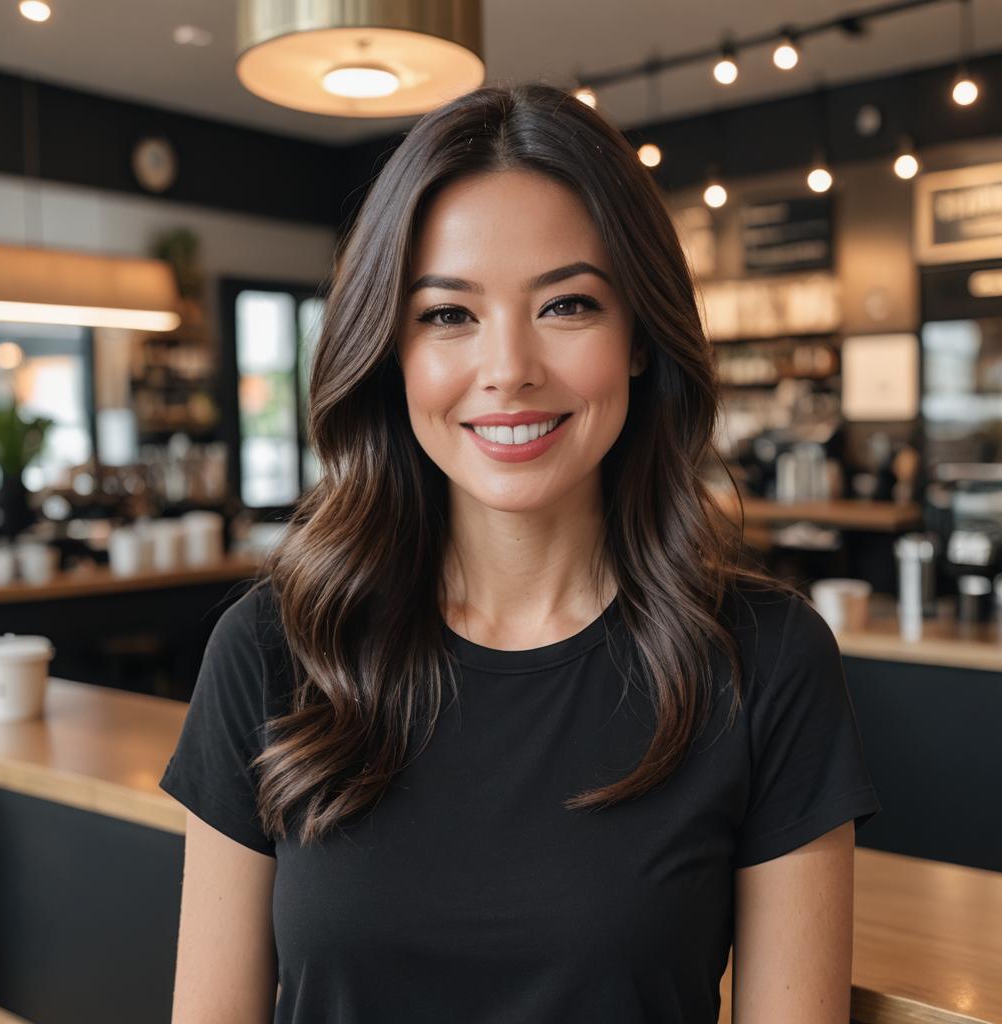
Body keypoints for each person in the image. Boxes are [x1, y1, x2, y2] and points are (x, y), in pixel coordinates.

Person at [159, 81, 881, 1023]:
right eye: (448, 314)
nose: (508, 369)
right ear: (392, 350)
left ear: (636, 338)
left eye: (567, 305)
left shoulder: (767, 659)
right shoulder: (273, 650)